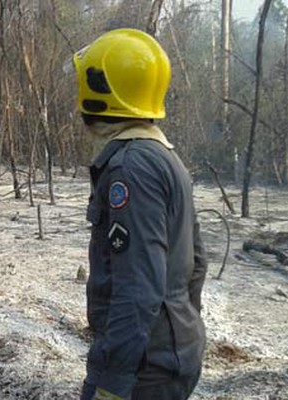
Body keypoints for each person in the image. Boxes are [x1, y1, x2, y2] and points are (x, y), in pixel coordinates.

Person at [72, 28, 208, 400]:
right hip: (168, 357)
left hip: (143, 370)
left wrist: (112, 383)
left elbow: (138, 288)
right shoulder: (164, 156)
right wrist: (180, 330)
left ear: (98, 91)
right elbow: (197, 262)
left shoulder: (129, 169)